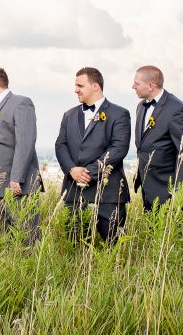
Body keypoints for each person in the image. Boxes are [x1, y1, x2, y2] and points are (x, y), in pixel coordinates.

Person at [55, 67, 131, 244]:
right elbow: (60, 145)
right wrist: (72, 170)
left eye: (80, 85)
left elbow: (119, 147)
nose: (76, 90)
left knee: (113, 247)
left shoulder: (119, 114)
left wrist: (89, 172)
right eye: (75, 85)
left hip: (108, 193)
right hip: (74, 192)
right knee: (74, 247)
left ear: (95, 86)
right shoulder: (69, 115)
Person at [0, 66, 41, 240]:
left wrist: (16, 177)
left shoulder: (21, 103)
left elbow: (26, 141)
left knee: (29, 236)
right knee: (6, 240)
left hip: (17, 185)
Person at [131, 65, 183, 211]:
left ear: (150, 86)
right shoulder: (141, 107)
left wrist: (179, 193)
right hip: (147, 187)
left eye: (137, 83)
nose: (133, 86)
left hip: (167, 189)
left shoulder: (177, 109)